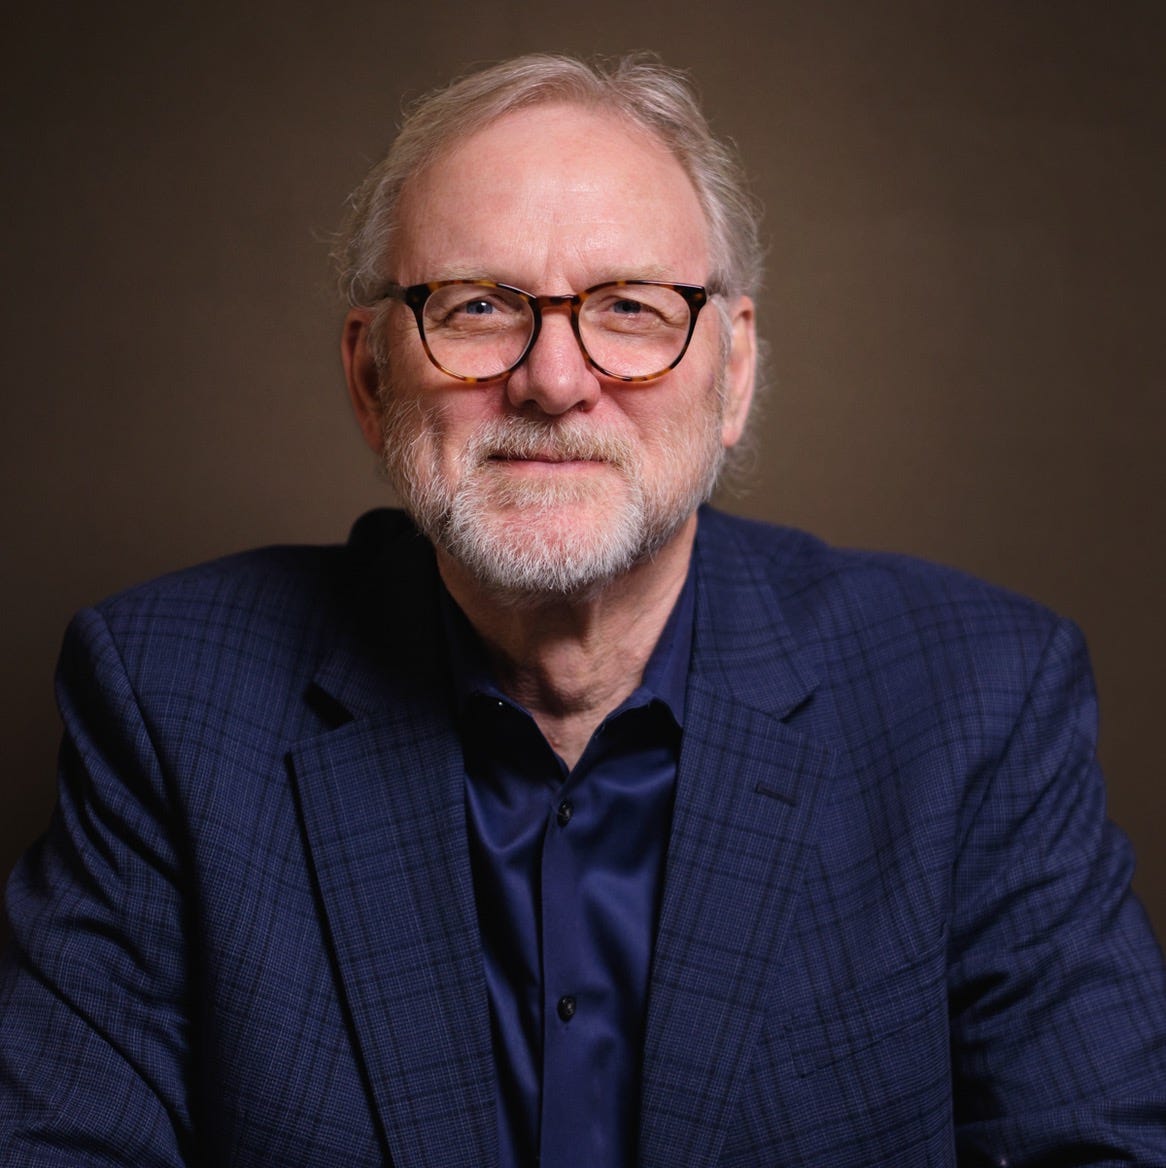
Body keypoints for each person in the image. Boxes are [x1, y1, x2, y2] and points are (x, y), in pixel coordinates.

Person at [2, 51, 1164, 1168]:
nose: (553, 381)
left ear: (732, 373)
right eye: (475, 306)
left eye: (629, 308)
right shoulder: (169, 698)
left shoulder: (976, 700)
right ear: (368, 376)